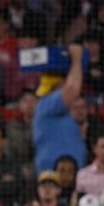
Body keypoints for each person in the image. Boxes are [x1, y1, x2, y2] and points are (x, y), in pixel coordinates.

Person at [33, 44, 86, 174]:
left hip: (73, 175)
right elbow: (73, 89)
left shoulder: (68, 111)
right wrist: (77, 59)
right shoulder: (46, 103)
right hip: (51, 175)